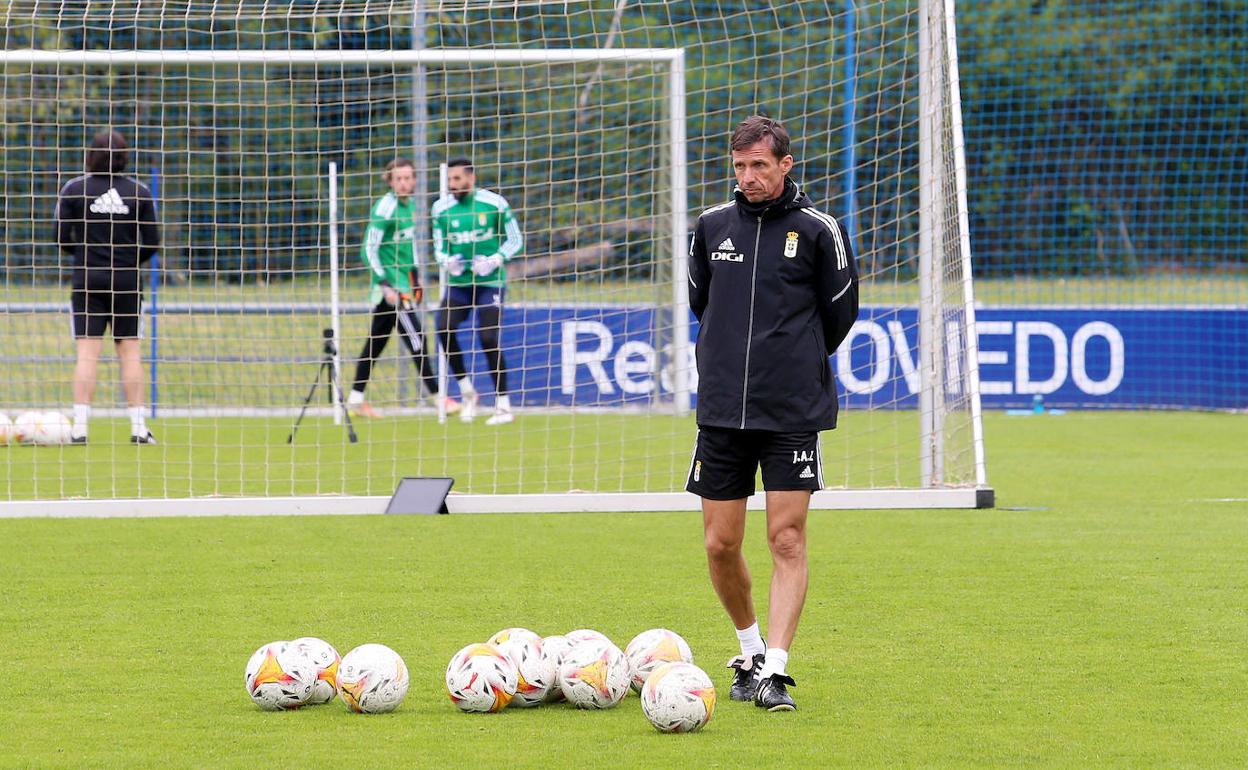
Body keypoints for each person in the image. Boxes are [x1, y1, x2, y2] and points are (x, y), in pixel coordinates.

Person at [686, 116, 860, 712]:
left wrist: (793, 360)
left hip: (790, 410)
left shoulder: (820, 230)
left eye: (760, 164)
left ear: (787, 164)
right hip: (721, 412)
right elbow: (701, 303)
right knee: (719, 543)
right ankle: (748, 650)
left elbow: (840, 315)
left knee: (785, 537)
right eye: (740, 165)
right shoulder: (710, 228)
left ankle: (776, 670)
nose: (749, 176)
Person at [55, 129, 160, 445]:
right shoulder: (138, 192)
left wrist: (85, 256)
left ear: (91, 154)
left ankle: (80, 428)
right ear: (124, 156)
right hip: (127, 282)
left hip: (87, 279)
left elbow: (60, 237)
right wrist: (128, 261)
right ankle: (139, 428)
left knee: (87, 352)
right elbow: (153, 242)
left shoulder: (75, 189)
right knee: (129, 351)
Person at [347, 158, 456, 418]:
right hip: (391, 290)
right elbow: (368, 250)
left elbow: (409, 250)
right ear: (390, 181)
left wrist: (416, 279)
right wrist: (384, 284)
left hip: (404, 286)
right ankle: (437, 396)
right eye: (399, 179)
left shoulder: (410, 207)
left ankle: (354, 399)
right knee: (418, 338)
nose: (404, 183)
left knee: (376, 344)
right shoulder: (385, 208)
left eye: (408, 178)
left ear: (415, 180)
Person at [431, 157, 523, 425]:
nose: (452, 184)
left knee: (488, 337)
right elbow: (439, 247)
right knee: (444, 327)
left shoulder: (494, 203)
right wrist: (447, 262)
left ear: (471, 178)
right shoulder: (440, 209)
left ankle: (503, 405)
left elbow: (515, 239)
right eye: (449, 180)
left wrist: (496, 258)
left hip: (489, 283)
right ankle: (467, 392)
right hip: (460, 285)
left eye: (457, 179)